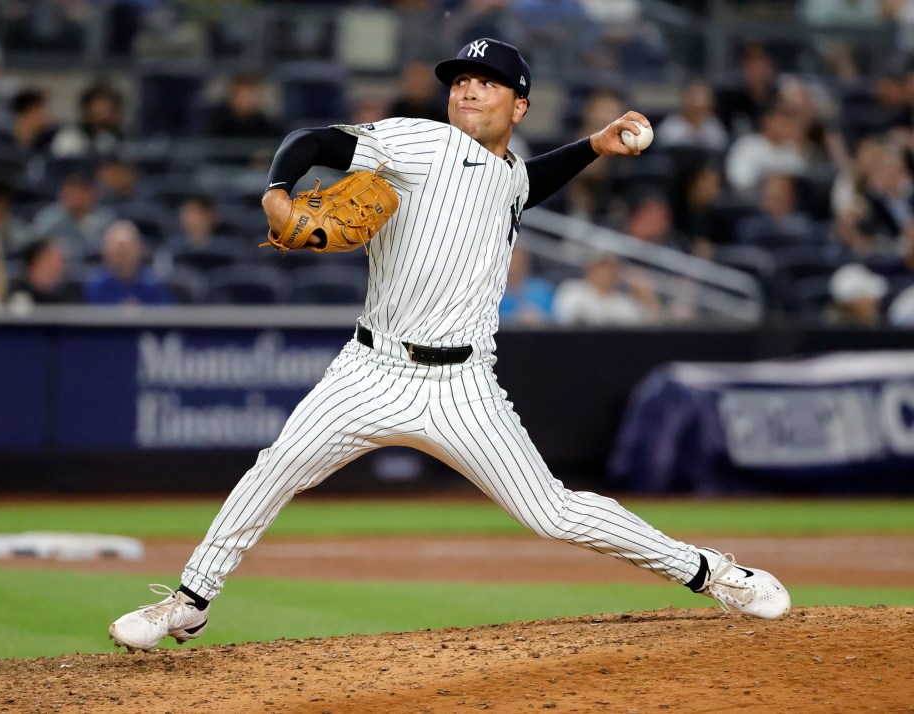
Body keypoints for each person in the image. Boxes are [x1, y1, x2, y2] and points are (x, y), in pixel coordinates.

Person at [109, 38, 791, 653]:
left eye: (486, 81)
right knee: (277, 465)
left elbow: (521, 186)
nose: (466, 88)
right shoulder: (414, 141)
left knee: (552, 512)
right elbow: (310, 138)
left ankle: (715, 574)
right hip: (370, 368)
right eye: (460, 78)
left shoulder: (509, 174)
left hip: (463, 388)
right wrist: (278, 194)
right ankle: (189, 601)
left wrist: (593, 146)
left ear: (519, 106)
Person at [553, 252, 661, 325]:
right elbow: (565, 321)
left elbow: (648, 329)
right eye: (601, 267)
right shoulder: (572, 290)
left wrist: (648, 298)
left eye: (610, 269)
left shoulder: (624, 303)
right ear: (590, 268)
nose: (605, 273)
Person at [83, 220, 172, 306]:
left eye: (127, 252)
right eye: (118, 252)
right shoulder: (96, 283)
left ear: (139, 250)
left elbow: (167, 314)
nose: (122, 259)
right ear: (105, 252)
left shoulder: (153, 283)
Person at [31, 170, 115, 260]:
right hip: (60, 269)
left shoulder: (105, 217)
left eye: (82, 190)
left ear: (92, 193)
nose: (77, 196)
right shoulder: (48, 219)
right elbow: (36, 251)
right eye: (72, 190)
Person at [8, 238, 81, 307]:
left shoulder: (68, 293)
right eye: (57, 260)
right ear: (38, 260)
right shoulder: (16, 292)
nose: (63, 266)